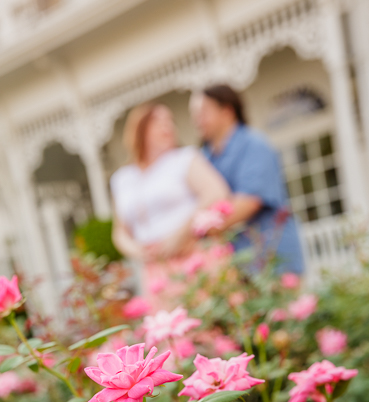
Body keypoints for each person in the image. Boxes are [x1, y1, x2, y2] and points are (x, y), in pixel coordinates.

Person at [111, 102, 230, 292]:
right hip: (155, 270)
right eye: (157, 121)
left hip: (192, 256)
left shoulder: (184, 159)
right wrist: (138, 251)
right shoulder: (122, 179)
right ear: (139, 130)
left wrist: (182, 233)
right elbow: (120, 231)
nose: (166, 126)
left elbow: (216, 192)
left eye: (170, 121)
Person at [191, 84, 305, 275]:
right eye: (194, 114)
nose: (197, 120)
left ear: (227, 111)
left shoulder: (254, 145)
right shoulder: (204, 158)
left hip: (272, 256)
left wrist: (199, 230)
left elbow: (249, 202)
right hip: (236, 263)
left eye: (203, 112)